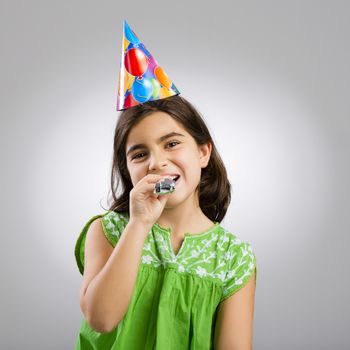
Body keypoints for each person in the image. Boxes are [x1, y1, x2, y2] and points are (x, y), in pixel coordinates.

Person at [74, 95, 258, 349]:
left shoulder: (233, 257)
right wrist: (139, 223)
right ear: (128, 170)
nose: (156, 162)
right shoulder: (109, 231)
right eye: (139, 154)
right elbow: (101, 320)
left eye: (171, 143)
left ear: (203, 153)